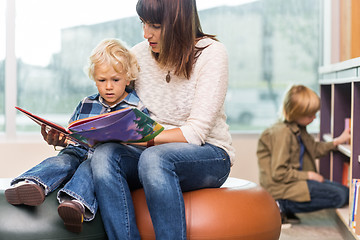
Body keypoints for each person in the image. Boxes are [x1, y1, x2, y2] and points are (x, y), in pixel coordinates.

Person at [83, 0, 235, 239]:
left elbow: (195, 134)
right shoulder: (137, 55)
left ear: (178, 22)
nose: (146, 34)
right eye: (143, 23)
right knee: (103, 156)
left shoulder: (211, 54)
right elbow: (112, 100)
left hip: (208, 153)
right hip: (148, 153)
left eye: (155, 25)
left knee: (154, 159)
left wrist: (141, 139)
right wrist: (78, 133)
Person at [5, 38, 146, 233]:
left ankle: (75, 202)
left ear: (128, 78)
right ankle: (32, 183)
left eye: (115, 80)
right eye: (101, 80)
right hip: (78, 150)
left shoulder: (136, 107)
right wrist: (61, 139)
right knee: (63, 161)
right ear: (94, 78)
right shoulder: (86, 103)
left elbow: (143, 142)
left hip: (104, 159)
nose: (108, 87)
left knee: (90, 167)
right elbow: (74, 133)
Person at [257, 84, 350, 226]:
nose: (314, 117)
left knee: (344, 191)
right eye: (309, 115)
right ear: (295, 113)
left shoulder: (298, 127)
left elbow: (314, 149)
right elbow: (279, 173)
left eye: (315, 113)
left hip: (297, 181)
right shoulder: (282, 133)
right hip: (283, 188)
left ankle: (286, 206)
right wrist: (309, 175)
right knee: (343, 195)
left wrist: (337, 141)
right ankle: (281, 205)